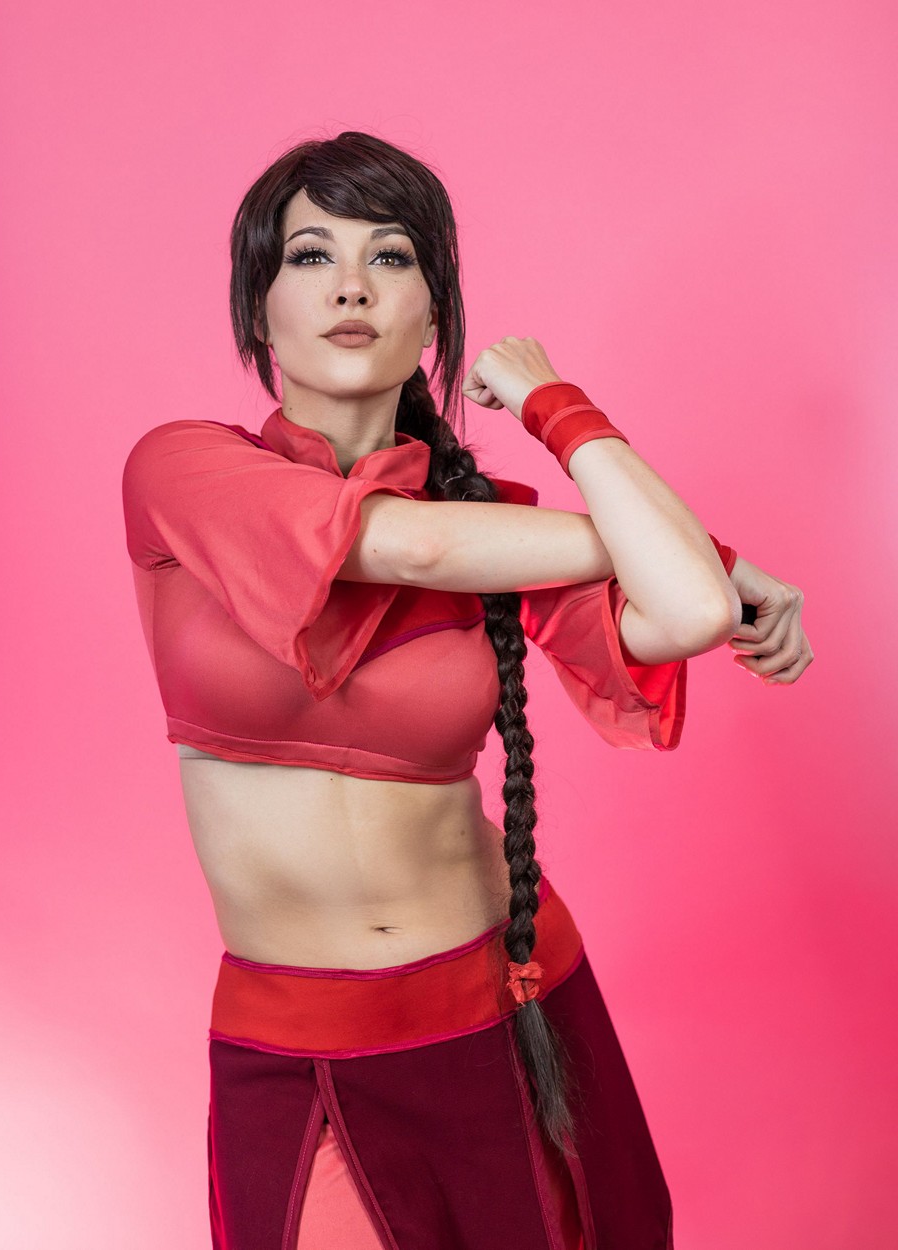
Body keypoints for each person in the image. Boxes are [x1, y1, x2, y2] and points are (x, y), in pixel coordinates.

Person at [121, 131, 812, 1250]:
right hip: (297, 1037)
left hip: (505, 1005)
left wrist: (557, 406)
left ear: (432, 317)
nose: (352, 285)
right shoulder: (182, 470)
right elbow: (410, 547)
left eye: (391, 256)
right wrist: (705, 549)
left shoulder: (497, 524)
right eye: (311, 255)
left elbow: (687, 614)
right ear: (258, 312)